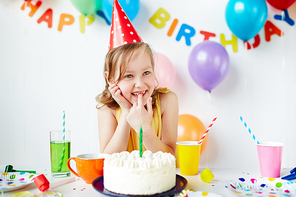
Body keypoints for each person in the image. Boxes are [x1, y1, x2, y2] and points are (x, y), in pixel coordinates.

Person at [96, 42, 179, 155]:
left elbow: (169, 157)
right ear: (111, 79)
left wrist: (145, 129)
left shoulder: (168, 101)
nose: (140, 84)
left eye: (146, 72)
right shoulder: (106, 108)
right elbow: (107, 159)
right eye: (129, 76)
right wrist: (126, 112)